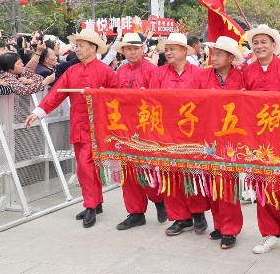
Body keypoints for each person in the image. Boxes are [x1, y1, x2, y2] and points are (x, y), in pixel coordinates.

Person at [23, 29, 119, 229]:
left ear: (93, 48)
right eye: (77, 46)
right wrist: (38, 112)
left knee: (86, 165)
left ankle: (91, 204)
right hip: (78, 125)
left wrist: (103, 95)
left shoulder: (105, 71)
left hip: (98, 126)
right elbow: (56, 95)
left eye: (81, 46)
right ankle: (95, 202)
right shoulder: (72, 71)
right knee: (84, 166)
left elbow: (119, 96)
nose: (78, 49)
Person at [242, 24, 280, 254]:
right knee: (259, 185)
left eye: (263, 42)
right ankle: (270, 233)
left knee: (279, 185)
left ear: (273, 45)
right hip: (257, 136)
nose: (259, 46)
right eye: (255, 43)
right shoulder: (248, 71)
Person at [149, 33, 211, 237]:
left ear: (185, 51)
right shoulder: (158, 74)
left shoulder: (200, 74)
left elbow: (206, 103)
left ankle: (198, 213)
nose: (168, 52)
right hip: (166, 132)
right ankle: (180, 218)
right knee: (170, 175)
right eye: (166, 49)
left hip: (192, 133)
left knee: (193, 174)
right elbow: (151, 102)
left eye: (173, 48)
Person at [112, 33, 166, 231]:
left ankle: (159, 199)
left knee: (147, 170)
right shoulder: (120, 70)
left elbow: (157, 100)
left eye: (135, 49)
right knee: (128, 171)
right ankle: (135, 213)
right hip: (125, 128)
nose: (132, 52)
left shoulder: (153, 70)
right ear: (123, 51)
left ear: (142, 49)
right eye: (128, 49)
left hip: (146, 128)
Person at [200, 35, 246, 250]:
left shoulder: (241, 77)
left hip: (231, 140)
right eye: (213, 54)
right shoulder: (203, 76)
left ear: (230, 57)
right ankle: (219, 224)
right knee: (211, 183)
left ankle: (230, 229)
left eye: (219, 54)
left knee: (227, 184)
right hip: (208, 137)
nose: (214, 57)